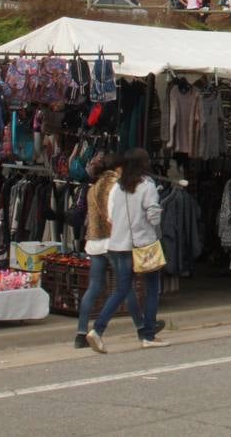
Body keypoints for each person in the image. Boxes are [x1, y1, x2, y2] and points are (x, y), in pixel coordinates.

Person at [87, 149, 167, 351]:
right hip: (142, 245)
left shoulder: (118, 188)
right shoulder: (147, 186)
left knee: (121, 290)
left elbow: (111, 217)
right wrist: (159, 207)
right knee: (151, 290)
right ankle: (148, 335)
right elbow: (153, 216)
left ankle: (97, 330)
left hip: (117, 244)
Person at [75, 152, 122, 349]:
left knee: (94, 287)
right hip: (112, 241)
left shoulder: (92, 188)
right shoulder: (117, 185)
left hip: (94, 241)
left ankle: (80, 333)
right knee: (123, 286)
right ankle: (143, 326)